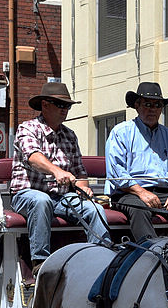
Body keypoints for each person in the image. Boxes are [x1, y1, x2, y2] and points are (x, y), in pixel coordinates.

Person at [9, 81, 111, 274]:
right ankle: (41, 263)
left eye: (68, 106)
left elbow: (79, 171)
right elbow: (33, 157)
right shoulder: (28, 128)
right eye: (60, 105)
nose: (65, 110)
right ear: (45, 105)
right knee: (41, 200)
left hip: (62, 197)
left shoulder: (70, 135)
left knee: (95, 208)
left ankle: (101, 261)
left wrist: (83, 188)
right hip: (26, 195)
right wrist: (57, 171)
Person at [105, 81, 168, 241]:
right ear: (137, 105)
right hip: (129, 193)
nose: (152, 109)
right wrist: (141, 192)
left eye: (157, 105)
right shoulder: (120, 132)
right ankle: (150, 253)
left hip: (166, 194)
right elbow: (116, 171)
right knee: (139, 209)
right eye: (147, 104)